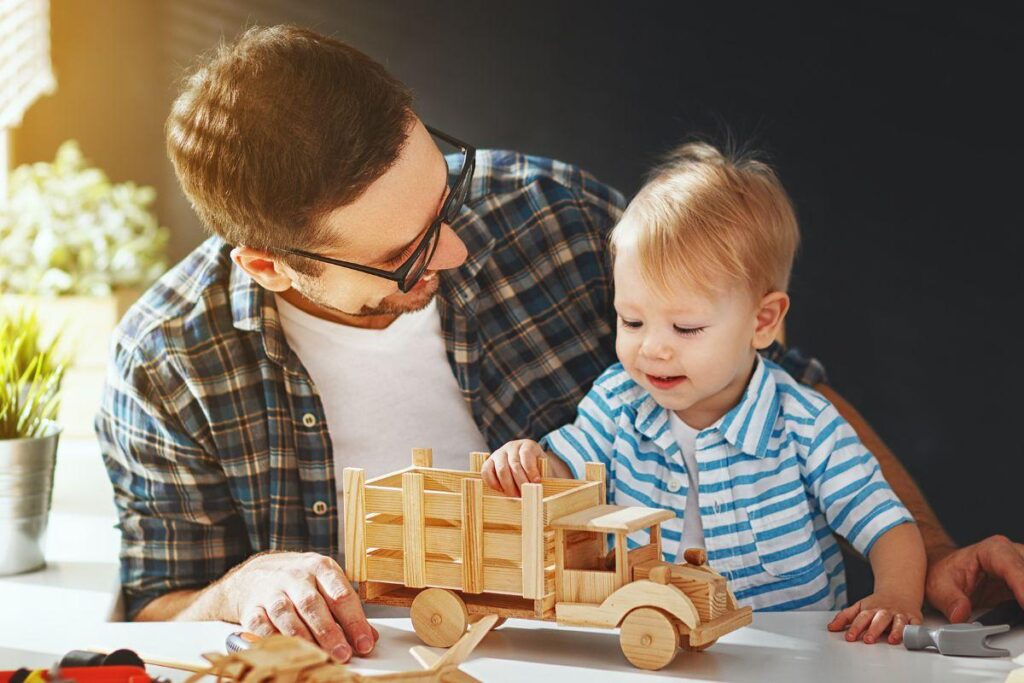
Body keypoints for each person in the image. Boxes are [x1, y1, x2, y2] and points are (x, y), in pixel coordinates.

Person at [96, 24, 1024, 661]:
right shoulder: (169, 367)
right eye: (406, 252)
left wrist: (928, 550)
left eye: (444, 190)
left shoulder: (553, 216)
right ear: (269, 265)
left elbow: (786, 392)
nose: (456, 246)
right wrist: (241, 586)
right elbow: (157, 605)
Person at [483, 142, 926, 643]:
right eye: (631, 320)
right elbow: (567, 471)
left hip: (793, 656)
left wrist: (896, 596)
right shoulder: (617, 400)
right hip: (658, 640)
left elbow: (888, 525)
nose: (652, 349)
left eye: (686, 328)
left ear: (762, 322)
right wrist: (532, 464)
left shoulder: (805, 422)